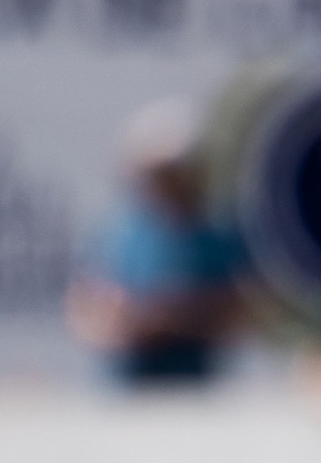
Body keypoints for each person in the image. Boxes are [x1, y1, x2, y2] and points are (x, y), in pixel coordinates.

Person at [65, 102, 247, 389]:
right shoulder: (117, 234)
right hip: (128, 393)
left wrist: (179, 317)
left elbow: (240, 310)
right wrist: (127, 323)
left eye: (176, 171)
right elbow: (86, 312)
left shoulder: (218, 235)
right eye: (158, 172)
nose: (168, 182)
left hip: (197, 392)